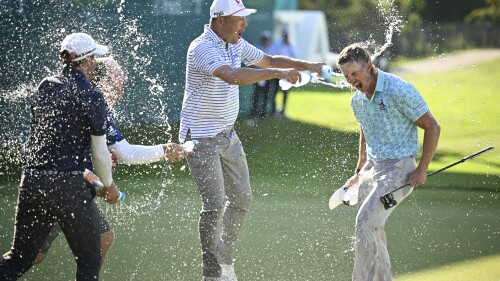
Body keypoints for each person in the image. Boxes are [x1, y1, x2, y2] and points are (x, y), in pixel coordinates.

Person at [179, 0, 326, 280]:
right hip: (199, 138)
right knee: (214, 203)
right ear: (220, 21)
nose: (245, 24)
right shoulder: (201, 48)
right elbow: (232, 76)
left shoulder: (235, 41)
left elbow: (269, 60)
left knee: (242, 198)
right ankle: (212, 273)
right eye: (239, 19)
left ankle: (224, 260)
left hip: (227, 134)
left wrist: (309, 65)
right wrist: (278, 74)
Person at [32, 57, 189, 269]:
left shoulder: (90, 103)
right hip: (62, 186)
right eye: (118, 75)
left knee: (102, 237)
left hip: (65, 184)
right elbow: (126, 154)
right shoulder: (95, 106)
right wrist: (164, 150)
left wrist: (99, 184)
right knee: (27, 256)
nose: (123, 79)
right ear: (103, 81)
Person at [0, 32, 121, 280]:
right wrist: (108, 185)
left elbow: (53, 149)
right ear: (87, 62)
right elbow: (99, 155)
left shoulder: (47, 85)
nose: (120, 86)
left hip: (33, 180)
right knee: (88, 260)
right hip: (68, 188)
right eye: (95, 60)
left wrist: (94, 180)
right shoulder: (92, 97)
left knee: (19, 258)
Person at [336, 43, 440, 281]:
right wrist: (359, 170)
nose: (351, 79)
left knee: (364, 222)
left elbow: (432, 126)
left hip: (398, 171)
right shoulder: (357, 101)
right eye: (346, 76)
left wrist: (422, 168)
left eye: (354, 73)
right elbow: (366, 130)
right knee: (373, 228)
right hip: (371, 170)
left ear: (369, 66)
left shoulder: (398, 89)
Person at [268, 28, 299, 116]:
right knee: (274, 91)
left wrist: (289, 46)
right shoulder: (277, 43)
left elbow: (296, 56)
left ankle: (283, 111)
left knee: (285, 92)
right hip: (277, 71)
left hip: (288, 72)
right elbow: (270, 56)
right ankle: (273, 110)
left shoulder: (292, 44)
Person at [249, 30, 273, 119]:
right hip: (258, 74)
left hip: (267, 75)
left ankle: (263, 113)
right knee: (256, 95)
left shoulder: (271, 48)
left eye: (266, 39)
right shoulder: (257, 48)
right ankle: (254, 112)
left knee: (266, 95)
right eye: (264, 39)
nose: (265, 40)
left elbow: (272, 62)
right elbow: (252, 61)